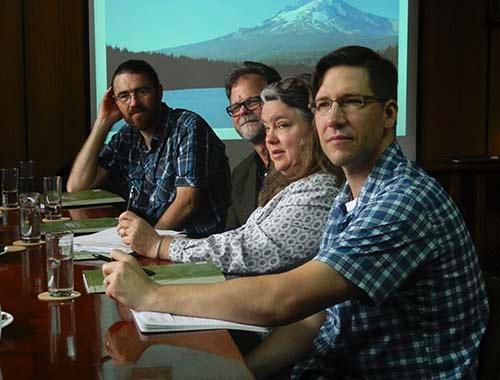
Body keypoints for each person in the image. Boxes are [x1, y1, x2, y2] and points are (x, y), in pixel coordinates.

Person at [102, 46, 489, 379]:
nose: (334, 118)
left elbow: (281, 300)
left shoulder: (402, 201)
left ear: (389, 114)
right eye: (323, 104)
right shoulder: (352, 197)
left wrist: (151, 295)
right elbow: (313, 319)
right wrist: (245, 374)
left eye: (353, 102)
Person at [116, 77, 343, 275]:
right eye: (267, 128)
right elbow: (237, 237)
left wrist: (159, 244)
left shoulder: (320, 191)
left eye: (282, 125)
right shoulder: (275, 181)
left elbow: (250, 251)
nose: (270, 138)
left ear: (316, 128)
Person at [67, 59, 231, 235]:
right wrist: (103, 122)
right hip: (151, 245)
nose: (133, 103)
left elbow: (187, 203)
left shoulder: (188, 127)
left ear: (159, 92)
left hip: (193, 247)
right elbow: (77, 188)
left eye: (142, 91)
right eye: (124, 96)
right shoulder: (127, 136)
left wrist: (147, 243)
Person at [224, 61, 281, 230]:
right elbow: (229, 235)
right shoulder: (241, 174)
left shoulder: (302, 164)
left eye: (253, 102)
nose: (242, 111)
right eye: (235, 107)